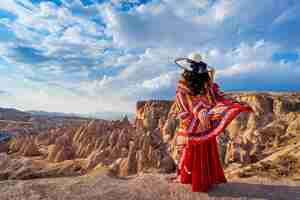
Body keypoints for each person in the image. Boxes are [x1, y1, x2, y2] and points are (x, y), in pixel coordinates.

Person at [172, 52, 253, 192]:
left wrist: (233, 104)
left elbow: (214, 97)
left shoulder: (200, 84)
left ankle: (197, 181)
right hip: (200, 119)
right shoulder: (196, 85)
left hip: (200, 120)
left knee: (196, 149)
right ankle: (201, 179)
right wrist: (200, 110)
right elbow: (189, 102)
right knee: (201, 149)